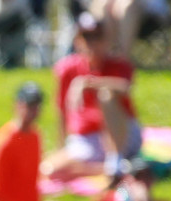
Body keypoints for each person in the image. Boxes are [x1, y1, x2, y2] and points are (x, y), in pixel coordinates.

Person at [40, 12, 141, 184]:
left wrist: (88, 83)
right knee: (49, 169)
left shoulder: (119, 64)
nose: (92, 43)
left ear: (106, 39)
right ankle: (112, 169)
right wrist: (61, 145)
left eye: (97, 36)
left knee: (106, 95)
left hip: (122, 135)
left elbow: (126, 87)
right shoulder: (67, 68)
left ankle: (115, 160)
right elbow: (62, 110)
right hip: (87, 140)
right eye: (87, 37)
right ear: (78, 40)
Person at [0, 81, 44, 201]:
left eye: (37, 105)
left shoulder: (36, 136)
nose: (34, 111)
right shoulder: (3, 141)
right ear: (17, 105)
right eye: (30, 105)